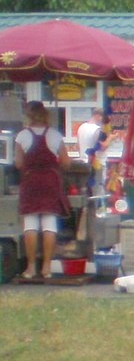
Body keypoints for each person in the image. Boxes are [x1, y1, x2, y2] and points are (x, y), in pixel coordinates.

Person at [14, 100, 71, 283]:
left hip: (31, 182)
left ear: (28, 116)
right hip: (50, 182)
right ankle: (46, 267)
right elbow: (66, 162)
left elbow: (19, 164)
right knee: (49, 224)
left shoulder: (22, 136)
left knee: (30, 223)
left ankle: (31, 267)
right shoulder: (54, 135)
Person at [74, 108, 108, 193]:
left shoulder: (81, 127)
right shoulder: (97, 130)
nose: (101, 120)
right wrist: (111, 138)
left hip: (83, 164)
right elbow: (103, 147)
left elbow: (77, 146)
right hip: (96, 164)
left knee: (84, 190)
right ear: (97, 116)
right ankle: (96, 206)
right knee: (96, 191)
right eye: (101, 118)